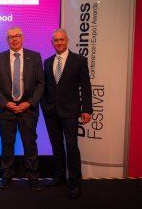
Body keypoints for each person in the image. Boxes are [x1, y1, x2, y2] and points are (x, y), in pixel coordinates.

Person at [41, 28, 92, 199]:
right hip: (51, 112)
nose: (59, 43)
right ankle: (59, 176)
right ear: (52, 43)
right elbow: (46, 87)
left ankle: (75, 182)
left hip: (70, 112)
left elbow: (86, 87)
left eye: (62, 39)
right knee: (56, 146)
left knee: (71, 147)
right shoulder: (47, 62)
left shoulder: (79, 60)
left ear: (67, 40)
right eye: (56, 40)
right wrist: (44, 106)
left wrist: (87, 109)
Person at [0, 27, 45, 191]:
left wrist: (29, 103)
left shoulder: (35, 56)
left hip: (27, 109)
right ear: (6, 40)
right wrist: (6, 103)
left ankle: (33, 177)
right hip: (5, 110)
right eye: (10, 37)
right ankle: (6, 176)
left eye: (17, 36)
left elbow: (40, 84)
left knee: (30, 144)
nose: (14, 39)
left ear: (23, 38)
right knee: (7, 145)